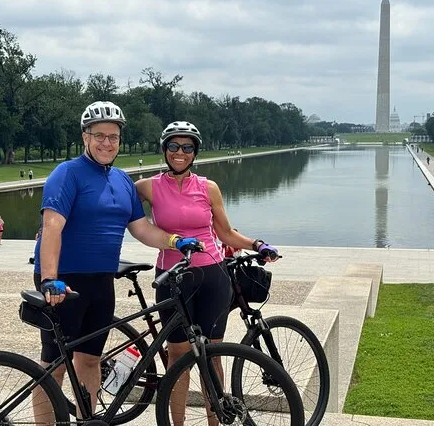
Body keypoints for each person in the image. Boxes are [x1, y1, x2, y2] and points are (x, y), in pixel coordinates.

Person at [32, 102, 201, 422]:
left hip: (101, 282)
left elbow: (141, 228)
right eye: (99, 136)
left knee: (89, 360)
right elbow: (52, 226)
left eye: (113, 137)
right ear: (85, 137)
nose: (106, 143)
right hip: (64, 280)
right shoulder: (67, 173)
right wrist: (49, 279)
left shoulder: (123, 180)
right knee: (53, 366)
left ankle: (87, 420)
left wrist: (175, 241)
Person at [135, 121, 279, 424]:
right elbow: (118, 211)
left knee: (211, 355)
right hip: (173, 278)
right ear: (164, 150)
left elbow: (225, 233)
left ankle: (216, 422)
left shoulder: (208, 187)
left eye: (187, 147)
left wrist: (257, 244)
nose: (180, 152)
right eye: (174, 146)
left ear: (195, 152)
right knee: (178, 357)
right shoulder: (148, 187)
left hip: (212, 277)